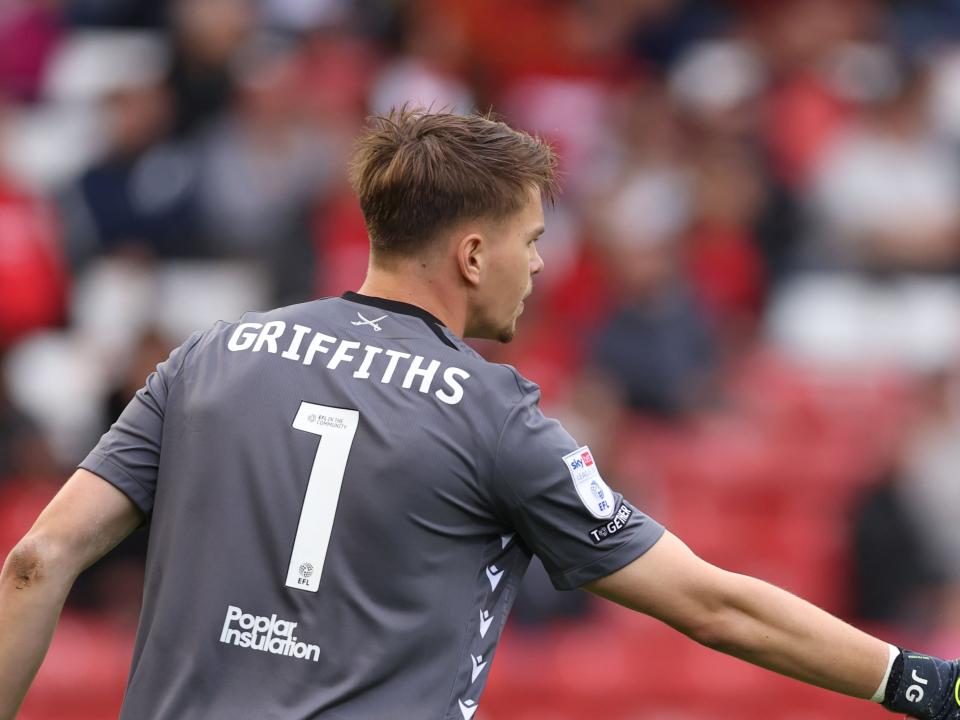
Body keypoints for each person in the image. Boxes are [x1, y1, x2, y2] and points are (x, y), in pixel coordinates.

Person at [0, 108, 957, 720]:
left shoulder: (211, 355)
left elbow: (37, 560)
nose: (538, 263)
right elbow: (712, 605)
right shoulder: (494, 415)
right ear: (470, 254)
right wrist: (915, 680)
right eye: (530, 239)